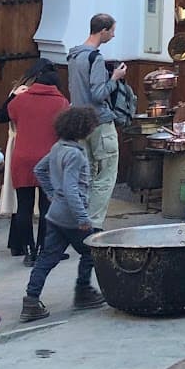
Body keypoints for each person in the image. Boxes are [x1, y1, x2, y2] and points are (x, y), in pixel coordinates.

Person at [20, 106, 107, 321]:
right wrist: (82, 218)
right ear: (84, 129)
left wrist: (51, 193)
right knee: (92, 251)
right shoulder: (75, 155)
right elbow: (71, 189)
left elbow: (39, 169)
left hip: (55, 215)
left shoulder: (58, 148)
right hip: (71, 218)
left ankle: (31, 300)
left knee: (47, 258)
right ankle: (83, 290)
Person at [0, 61, 67, 265]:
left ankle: (28, 252)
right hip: (48, 159)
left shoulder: (21, 100)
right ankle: (43, 250)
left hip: (22, 157)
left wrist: (13, 96)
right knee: (46, 207)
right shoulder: (61, 102)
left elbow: (4, 116)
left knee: (24, 207)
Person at [67, 13, 122, 229]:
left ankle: (81, 220)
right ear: (103, 31)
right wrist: (114, 78)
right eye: (112, 31)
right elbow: (99, 93)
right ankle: (94, 223)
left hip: (80, 122)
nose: (114, 35)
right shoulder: (95, 58)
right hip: (99, 122)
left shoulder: (73, 56)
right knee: (106, 174)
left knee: (86, 174)